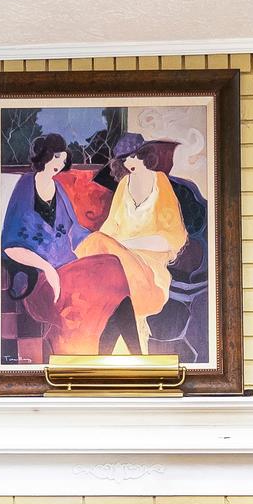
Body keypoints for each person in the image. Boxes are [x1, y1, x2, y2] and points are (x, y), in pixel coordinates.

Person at [77, 133, 188, 351]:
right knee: (99, 248)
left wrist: (126, 244)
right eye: (125, 159)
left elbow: (173, 238)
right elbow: (109, 229)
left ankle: (110, 354)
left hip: (150, 272)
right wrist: (116, 246)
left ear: (145, 155)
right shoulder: (123, 185)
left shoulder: (161, 184)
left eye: (135, 156)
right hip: (119, 265)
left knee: (104, 260)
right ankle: (123, 354)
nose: (130, 163)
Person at [0, 133, 89, 300]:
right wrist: (47, 268)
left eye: (63, 160)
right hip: (33, 262)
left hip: (65, 258)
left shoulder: (58, 188)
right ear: (44, 155)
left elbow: (74, 229)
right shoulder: (26, 186)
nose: (59, 163)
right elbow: (10, 244)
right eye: (56, 157)